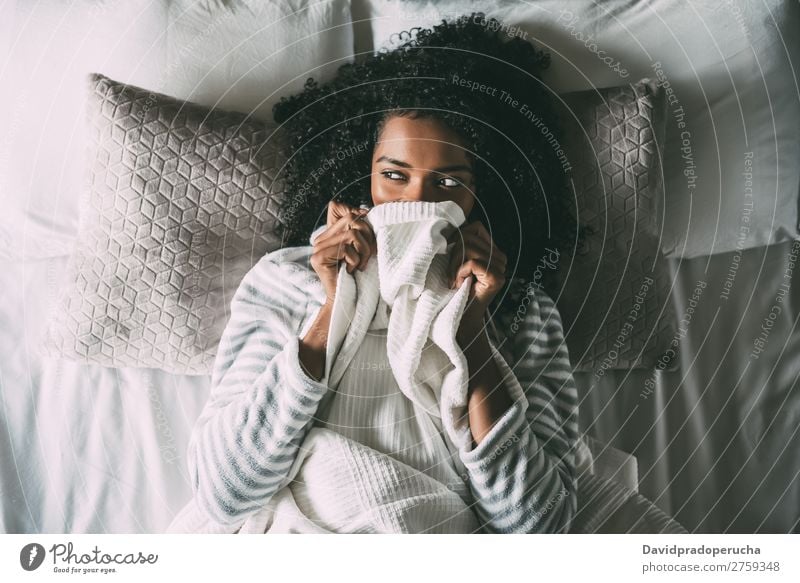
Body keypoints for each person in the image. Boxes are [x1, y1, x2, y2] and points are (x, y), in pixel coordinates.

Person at [168, 13, 585, 534]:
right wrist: (333, 310)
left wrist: (473, 335)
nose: (415, 202)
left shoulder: (523, 310)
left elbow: (538, 528)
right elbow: (224, 492)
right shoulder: (285, 280)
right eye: (393, 176)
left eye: (449, 184)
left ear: (486, 195)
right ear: (361, 174)